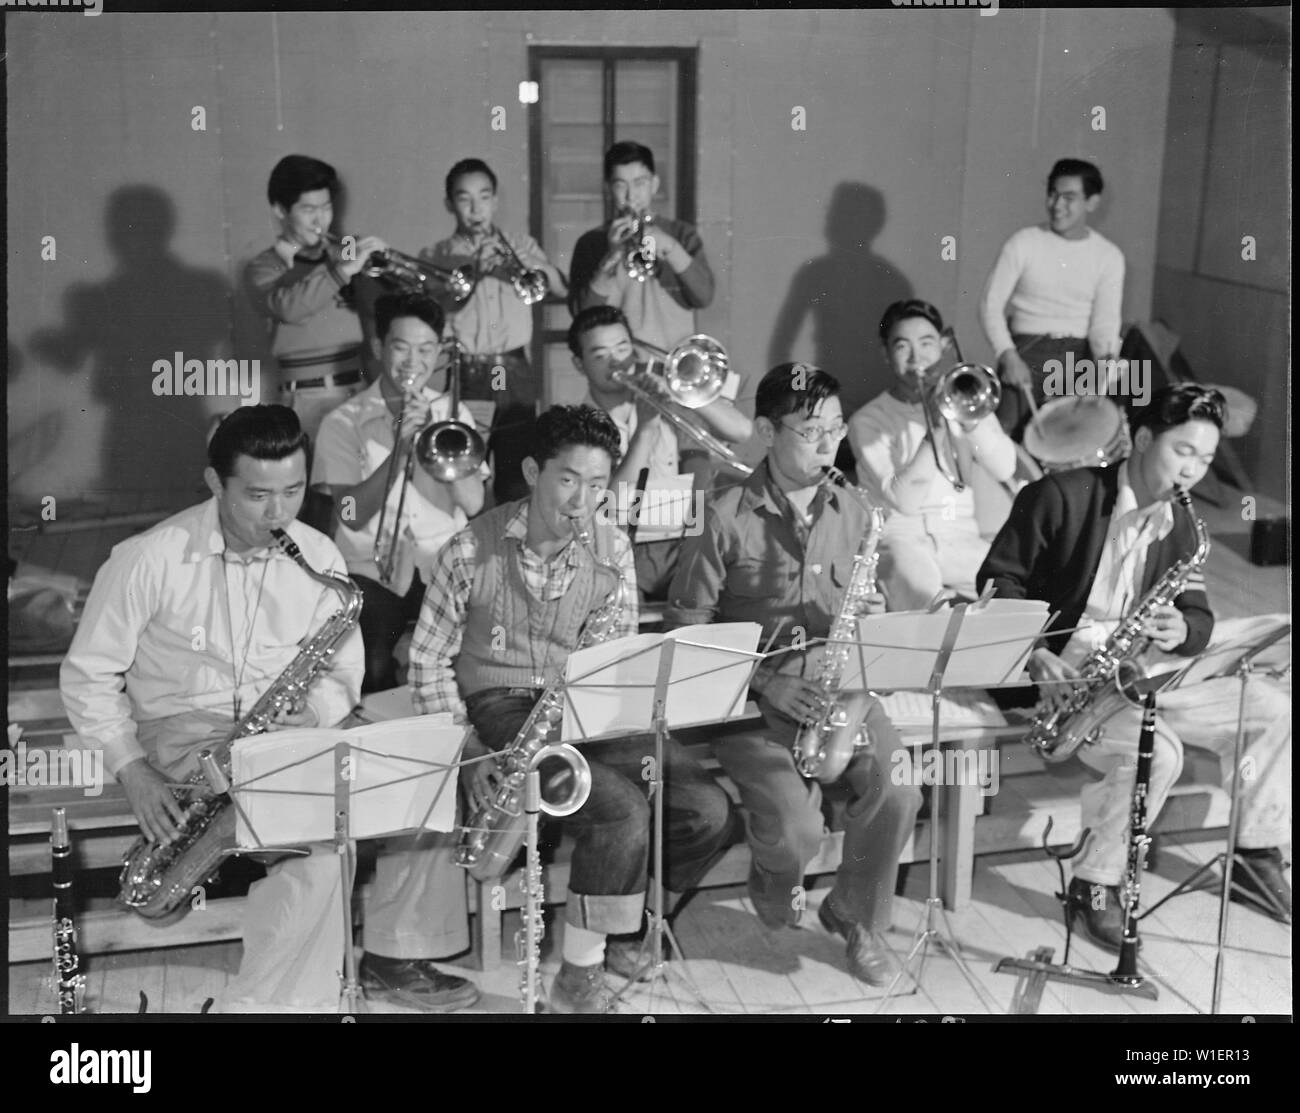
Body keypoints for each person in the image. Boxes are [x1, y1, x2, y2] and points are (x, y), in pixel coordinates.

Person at [59, 405, 480, 1013]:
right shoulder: (147, 558)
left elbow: (342, 674)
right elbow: (86, 676)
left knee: (416, 773)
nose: (279, 512)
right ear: (215, 484)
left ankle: (378, 959)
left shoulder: (319, 559)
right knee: (321, 836)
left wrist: (311, 716)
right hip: (182, 736)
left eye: (294, 490)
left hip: (287, 737)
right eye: (258, 495)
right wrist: (131, 768)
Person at [408, 405, 736, 1012]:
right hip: (500, 704)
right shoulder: (466, 550)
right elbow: (427, 662)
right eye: (567, 479)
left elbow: (612, 658)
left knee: (707, 808)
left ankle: (627, 924)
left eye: (596, 484)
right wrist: (468, 752)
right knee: (620, 810)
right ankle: (578, 975)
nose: (582, 500)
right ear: (533, 471)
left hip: (587, 704)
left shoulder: (612, 548)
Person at [978, 384, 1291, 948]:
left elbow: (1196, 613)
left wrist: (1184, 631)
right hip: (1069, 680)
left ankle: (1253, 851)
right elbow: (997, 581)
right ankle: (1095, 884)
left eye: (1204, 458)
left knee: (1272, 709)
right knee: (1158, 753)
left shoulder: (1185, 526)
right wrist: (1033, 653)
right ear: (1143, 439)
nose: (1192, 471)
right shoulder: (1060, 496)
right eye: (1182, 452)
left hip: (1143, 675)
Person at [664, 364, 922, 985]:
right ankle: (775, 873)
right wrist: (764, 680)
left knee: (902, 787)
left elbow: (870, 608)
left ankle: (855, 915)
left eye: (835, 429)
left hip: (838, 689)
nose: (828, 443)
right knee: (796, 831)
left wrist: (877, 628)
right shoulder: (720, 514)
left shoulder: (856, 509)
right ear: (764, 430)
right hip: (751, 701)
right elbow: (686, 629)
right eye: (811, 431)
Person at [313, 291, 487, 693]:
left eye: (426, 349)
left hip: (441, 565)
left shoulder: (452, 414)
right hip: (369, 571)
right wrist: (399, 452)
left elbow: (475, 503)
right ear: (378, 348)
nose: (414, 361)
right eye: (402, 348)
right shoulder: (341, 422)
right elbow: (351, 513)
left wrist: (431, 433)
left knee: (467, 670)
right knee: (373, 671)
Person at [568, 304, 752, 600]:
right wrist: (645, 430)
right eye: (600, 355)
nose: (616, 362)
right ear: (579, 364)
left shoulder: (661, 392)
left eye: (622, 348)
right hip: (618, 549)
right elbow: (610, 508)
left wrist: (680, 391)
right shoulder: (578, 423)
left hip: (684, 541)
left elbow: (741, 431)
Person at [849, 299, 1017, 611]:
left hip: (960, 536)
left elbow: (1005, 467)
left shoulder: (965, 399)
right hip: (900, 540)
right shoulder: (867, 421)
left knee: (1012, 597)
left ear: (943, 345)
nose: (917, 357)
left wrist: (970, 420)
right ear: (886, 354)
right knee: (928, 608)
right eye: (902, 347)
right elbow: (906, 502)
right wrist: (936, 429)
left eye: (926, 343)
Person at [420, 158, 567, 504]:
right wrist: (473, 270)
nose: (476, 209)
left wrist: (521, 260)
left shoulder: (520, 244)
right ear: (449, 204)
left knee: (518, 476)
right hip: (469, 370)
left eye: (484, 198)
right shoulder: (437, 255)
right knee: (469, 470)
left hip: (513, 369)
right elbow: (436, 308)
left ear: (495, 202)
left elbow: (558, 287)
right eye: (465, 199)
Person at [979, 158, 1126, 441]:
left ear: (1092, 202)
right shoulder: (1023, 242)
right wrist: (1007, 355)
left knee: (1072, 442)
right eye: (1053, 194)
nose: (1057, 205)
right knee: (1004, 438)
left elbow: (1104, 325)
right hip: (1026, 351)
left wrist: (1104, 367)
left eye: (1069, 197)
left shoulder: (1109, 256)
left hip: (1078, 354)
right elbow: (990, 306)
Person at [569, 141, 714, 356]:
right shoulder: (590, 243)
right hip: (619, 364)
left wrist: (671, 248)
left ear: (654, 185)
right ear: (608, 188)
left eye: (640, 183)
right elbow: (582, 317)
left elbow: (704, 297)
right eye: (621, 185)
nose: (631, 196)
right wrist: (611, 257)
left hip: (673, 364)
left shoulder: (682, 234)